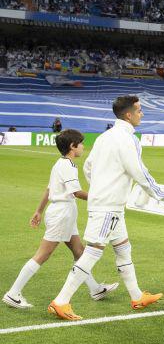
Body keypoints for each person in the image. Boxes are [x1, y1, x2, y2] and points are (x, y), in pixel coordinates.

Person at [48, 96, 164, 321]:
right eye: (139, 110)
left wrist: (99, 188)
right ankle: (61, 301)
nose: (142, 114)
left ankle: (137, 296)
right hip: (108, 206)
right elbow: (140, 172)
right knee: (92, 252)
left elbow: (88, 167)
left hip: (109, 204)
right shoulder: (128, 139)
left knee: (123, 248)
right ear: (128, 114)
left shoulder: (104, 137)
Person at [4, 130, 118, 309]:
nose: (83, 147)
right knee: (43, 254)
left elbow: (48, 189)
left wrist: (39, 211)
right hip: (62, 213)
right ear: (72, 147)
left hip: (62, 211)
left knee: (79, 252)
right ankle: (13, 293)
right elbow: (76, 192)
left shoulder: (60, 163)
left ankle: (95, 289)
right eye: (80, 143)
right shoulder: (68, 166)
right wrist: (101, 198)